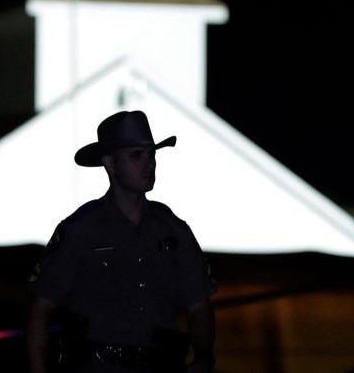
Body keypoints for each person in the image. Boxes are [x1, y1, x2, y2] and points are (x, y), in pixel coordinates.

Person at [26, 110, 217, 373]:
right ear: (110, 164)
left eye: (152, 154)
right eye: (136, 155)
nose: (149, 163)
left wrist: (204, 356)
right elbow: (41, 307)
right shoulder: (80, 230)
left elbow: (198, 304)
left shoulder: (174, 230)